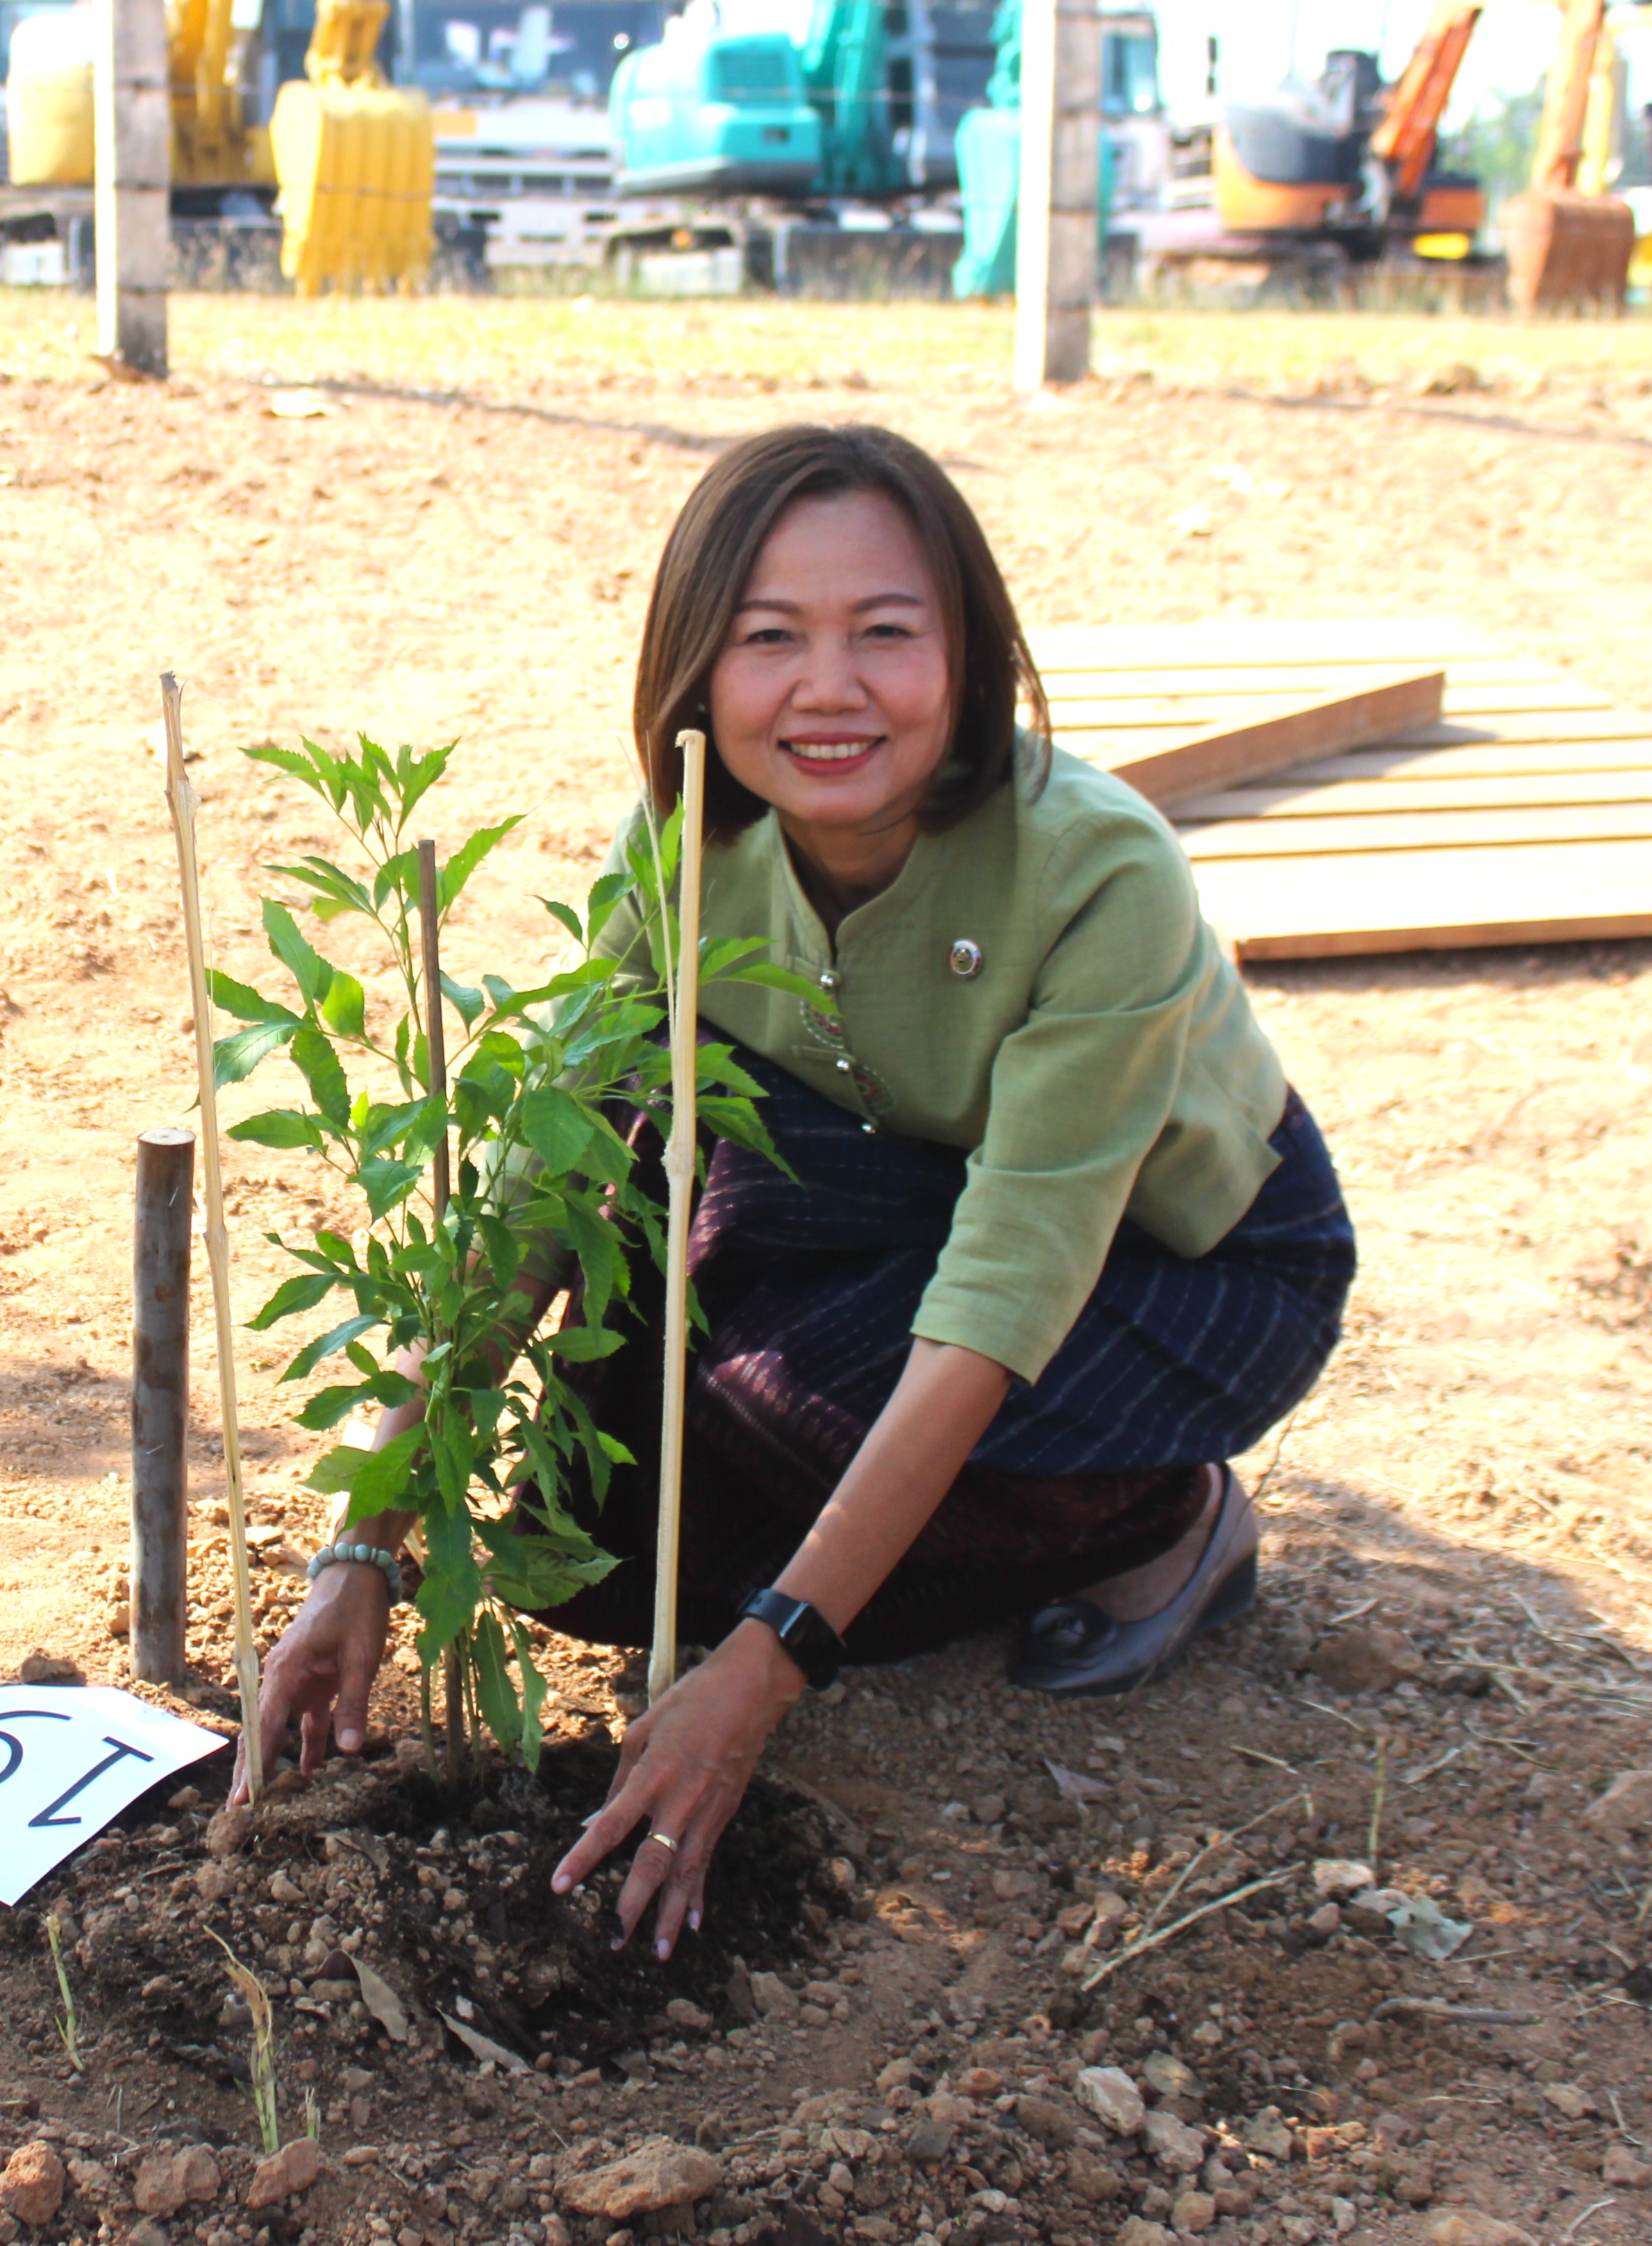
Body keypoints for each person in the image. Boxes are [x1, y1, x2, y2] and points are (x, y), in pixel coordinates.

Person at [239, 423, 1353, 1961]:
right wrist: (361, 1541)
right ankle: (867, 1485)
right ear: (696, 668)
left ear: (966, 652)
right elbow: (537, 1174)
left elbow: (1007, 1280)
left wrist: (771, 1664)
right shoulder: (689, 835)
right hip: (889, 1164)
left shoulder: (1096, 871)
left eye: (884, 633)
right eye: (770, 639)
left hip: (1185, 1252)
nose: (828, 689)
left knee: (792, 1453)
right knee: (630, 1527)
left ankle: (1160, 1517)